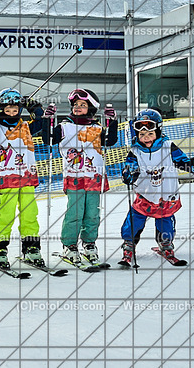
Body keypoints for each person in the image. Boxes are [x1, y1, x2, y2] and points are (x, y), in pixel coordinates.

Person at [41, 89, 118, 263]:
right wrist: (46, 120)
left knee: (92, 214)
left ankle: (89, 243)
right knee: (75, 213)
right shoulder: (64, 126)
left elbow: (110, 141)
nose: (78, 107)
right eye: (75, 104)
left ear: (91, 108)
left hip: (94, 177)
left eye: (83, 105)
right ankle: (69, 245)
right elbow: (48, 139)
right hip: (74, 177)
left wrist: (112, 122)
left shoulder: (97, 128)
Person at [119, 109, 194, 263]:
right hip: (145, 195)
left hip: (166, 195)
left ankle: (166, 244)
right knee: (135, 220)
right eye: (142, 134)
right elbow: (131, 167)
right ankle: (129, 243)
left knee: (166, 222)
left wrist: (193, 167)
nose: (146, 138)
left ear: (158, 132)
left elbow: (181, 161)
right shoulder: (135, 151)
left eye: (150, 134)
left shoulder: (167, 146)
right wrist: (129, 174)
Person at [0, 76, 45, 268]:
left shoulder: (26, 126)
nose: (12, 113)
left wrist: (32, 105)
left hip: (27, 177)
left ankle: (31, 247)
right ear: (1, 109)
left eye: (16, 110)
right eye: (8, 110)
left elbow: (40, 119)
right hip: (6, 179)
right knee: (6, 215)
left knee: (30, 213)